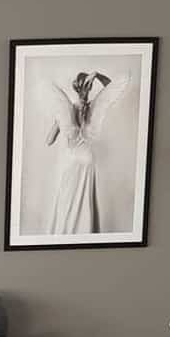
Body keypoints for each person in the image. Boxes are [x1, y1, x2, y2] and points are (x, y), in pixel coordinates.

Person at [45, 71, 128, 234]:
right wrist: (97, 75)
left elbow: (49, 140)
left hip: (72, 160)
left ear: (75, 87)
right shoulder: (94, 107)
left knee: (66, 201)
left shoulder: (66, 110)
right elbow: (111, 86)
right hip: (88, 159)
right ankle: (85, 233)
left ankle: (65, 234)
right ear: (89, 87)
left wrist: (60, 119)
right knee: (85, 201)